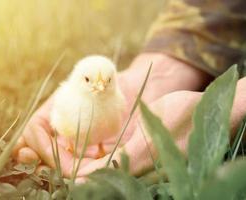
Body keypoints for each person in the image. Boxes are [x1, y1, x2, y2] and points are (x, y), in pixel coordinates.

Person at [13, 0, 246, 178]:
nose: (100, 86)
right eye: (90, 81)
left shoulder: (112, 101)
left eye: (106, 81)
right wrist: (167, 64)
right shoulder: (76, 100)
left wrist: (232, 105)